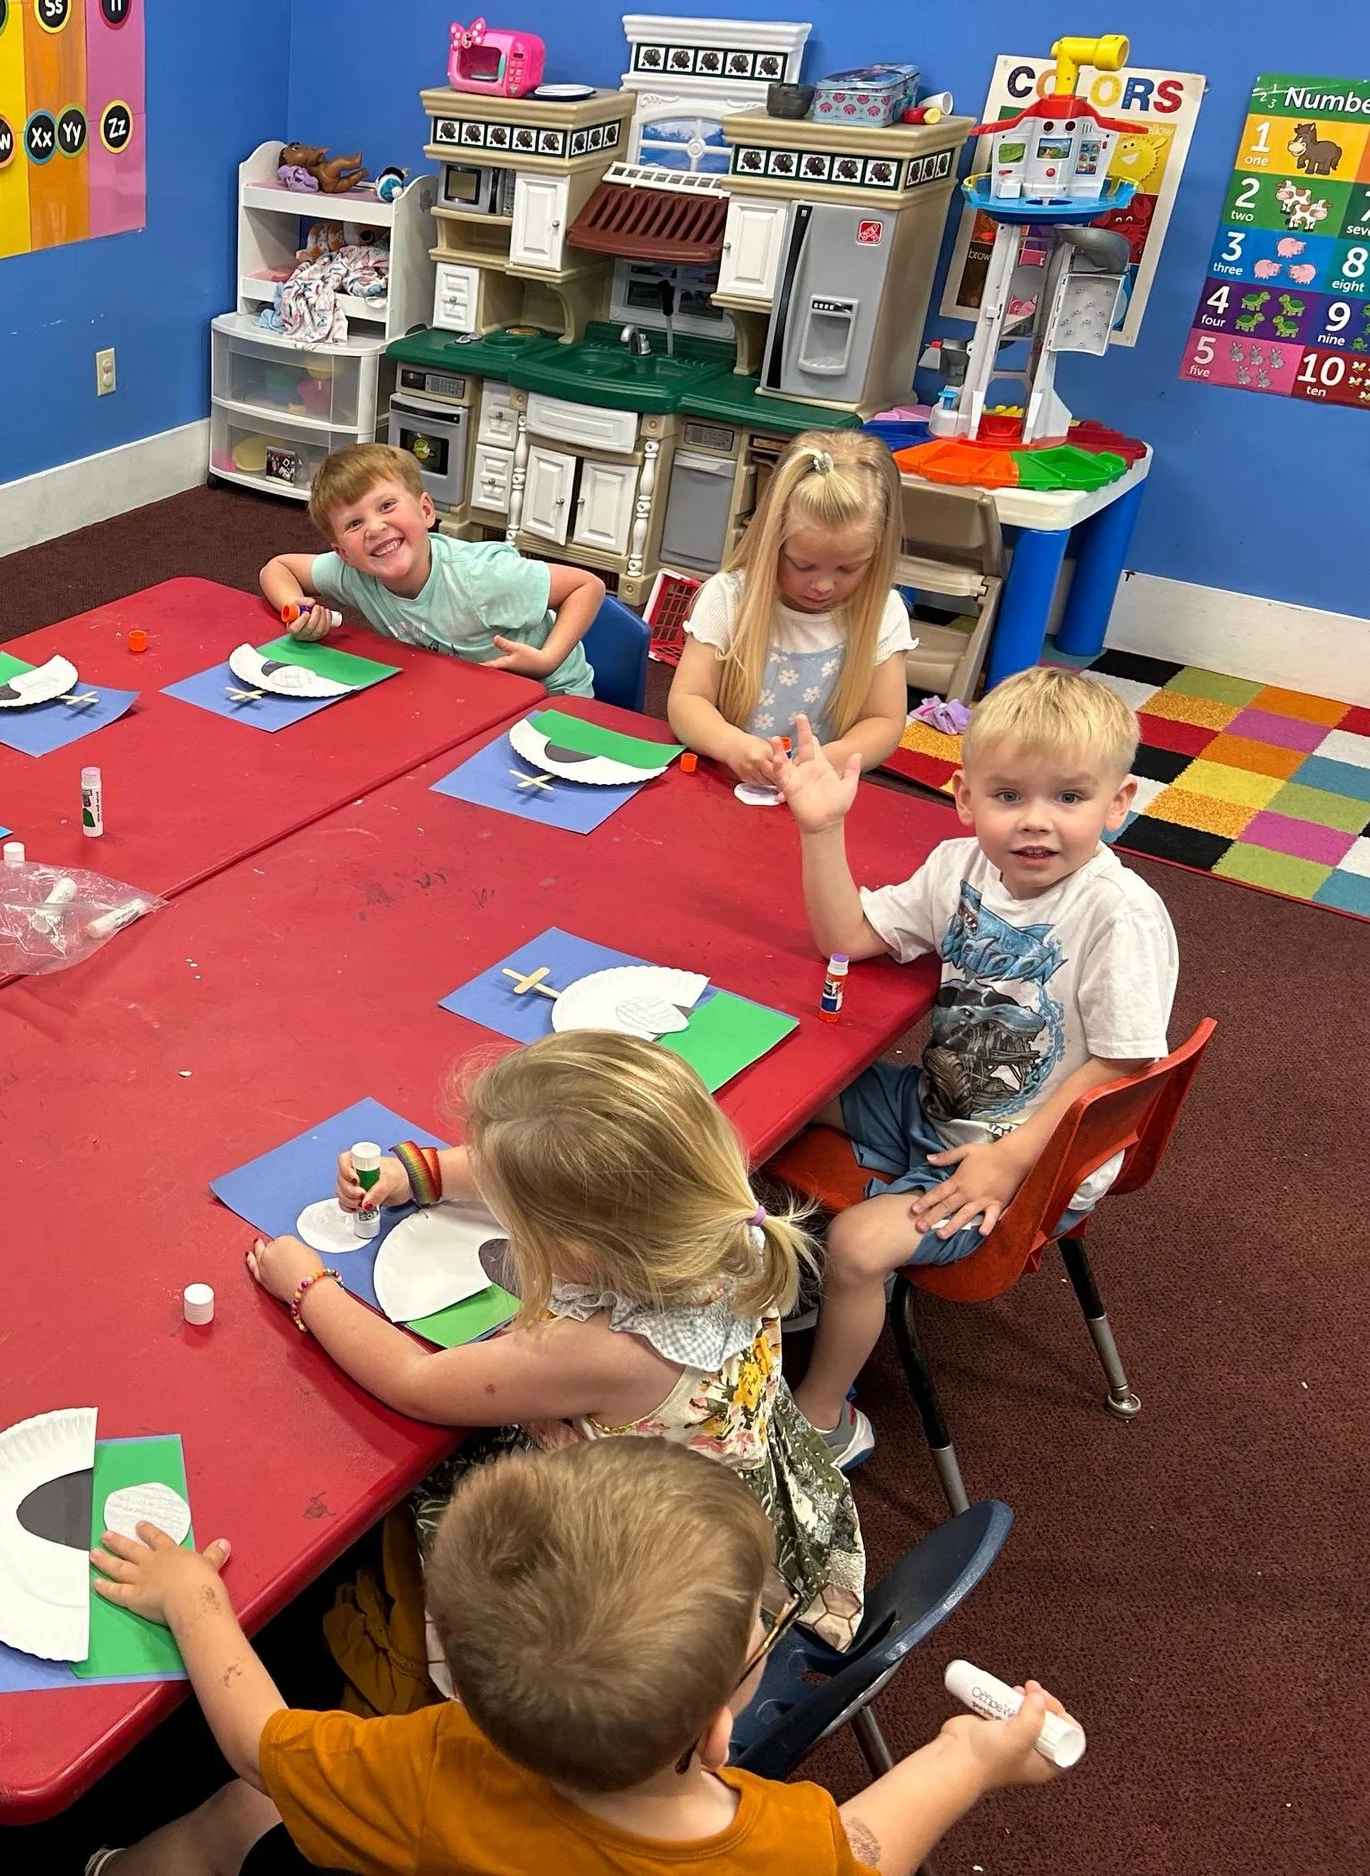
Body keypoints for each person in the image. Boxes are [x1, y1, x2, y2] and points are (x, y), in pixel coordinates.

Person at [84, 1438, 1074, 1876]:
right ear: (717, 1725)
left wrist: (195, 1598)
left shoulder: (433, 1763)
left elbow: (260, 1745)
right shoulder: (779, 1841)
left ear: (461, 1683)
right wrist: (969, 1758)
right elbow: (868, 1847)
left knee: (238, 1814)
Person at [245, 1030, 863, 1711]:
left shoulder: (604, 1352)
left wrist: (308, 1288)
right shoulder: (701, 1207)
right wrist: (420, 1174)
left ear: (571, 1243)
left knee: (423, 1502)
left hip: (622, 1563)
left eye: (519, 1212)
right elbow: (554, 1167)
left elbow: (411, 1383)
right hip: (738, 1484)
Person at [777, 666, 1176, 1465]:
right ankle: (779, 1280)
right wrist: (820, 829)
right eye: (1008, 796)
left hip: (1031, 1165)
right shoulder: (960, 865)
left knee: (858, 1244)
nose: (1036, 823)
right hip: (936, 1108)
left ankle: (823, 1423)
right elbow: (849, 936)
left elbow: (1124, 1072)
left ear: (1118, 803)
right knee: (774, 1090)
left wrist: (1008, 1161)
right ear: (964, 797)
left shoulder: (1118, 914)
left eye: (1069, 798)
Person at [666, 431, 912, 785]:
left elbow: (884, 721)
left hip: (823, 792)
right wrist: (731, 745)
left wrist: (826, 760)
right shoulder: (729, 597)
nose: (824, 585)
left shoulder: (883, 612)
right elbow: (687, 701)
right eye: (803, 565)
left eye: (848, 568)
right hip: (723, 783)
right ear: (772, 542)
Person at [256, 442, 601, 694]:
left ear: (425, 511)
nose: (375, 528)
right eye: (354, 524)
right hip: (464, 691)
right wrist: (298, 612)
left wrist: (548, 659)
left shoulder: (481, 576)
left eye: (387, 505)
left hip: (551, 695)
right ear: (343, 552)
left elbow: (587, 586)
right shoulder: (355, 573)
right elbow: (278, 568)